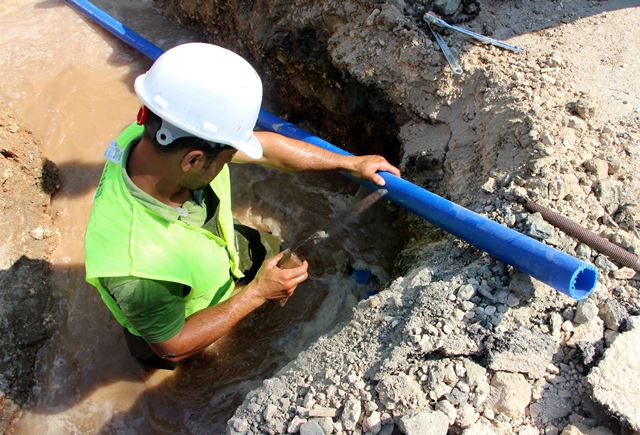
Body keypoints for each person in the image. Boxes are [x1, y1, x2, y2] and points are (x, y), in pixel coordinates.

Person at [84, 43, 400, 370]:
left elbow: (265, 149)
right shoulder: (137, 271)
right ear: (193, 160)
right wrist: (257, 295)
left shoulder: (155, 134)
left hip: (216, 249)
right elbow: (172, 346)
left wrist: (348, 163)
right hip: (177, 319)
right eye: (225, 160)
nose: (230, 163)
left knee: (276, 256)